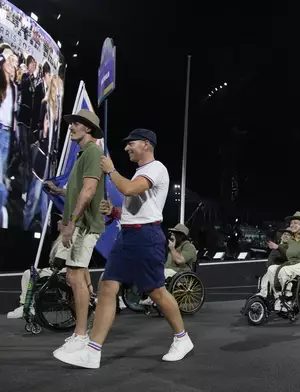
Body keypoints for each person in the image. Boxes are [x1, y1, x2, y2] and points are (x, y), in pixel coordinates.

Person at [53, 128, 192, 369]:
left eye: (131, 143)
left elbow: (129, 189)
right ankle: (92, 352)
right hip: (127, 235)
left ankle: (182, 339)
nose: (127, 147)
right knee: (107, 286)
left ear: (146, 144)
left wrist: (111, 170)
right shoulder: (140, 171)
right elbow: (138, 206)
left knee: (156, 291)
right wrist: (115, 212)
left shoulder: (156, 168)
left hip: (146, 237)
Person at [44, 109, 104, 357]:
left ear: (88, 128)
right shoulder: (83, 155)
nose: (71, 127)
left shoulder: (92, 152)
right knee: (74, 277)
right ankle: (81, 330)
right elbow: (76, 191)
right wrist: (59, 192)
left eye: (76, 123)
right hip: (78, 224)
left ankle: (81, 335)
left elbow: (88, 191)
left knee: (76, 277)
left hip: (85, 225)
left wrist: (72, 223)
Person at [139, 223, 197, 306]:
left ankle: (153, 298)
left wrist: (172, 248)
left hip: (182, 273)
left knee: (161, 273)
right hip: (169, 271)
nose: (172, 236)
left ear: (181, 236)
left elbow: (179, 260)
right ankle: (149, 296)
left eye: (175, 234)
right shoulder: (172, 246)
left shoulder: (189, 247)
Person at [0, 47, 18, 228]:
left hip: (6, 133)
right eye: (9, 58)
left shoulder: (13, 87)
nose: (13, 63)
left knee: (1, 171)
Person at [260, 228, 292, 299]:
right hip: (270, 270)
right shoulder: (278, 246)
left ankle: (275, 296)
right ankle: (263, 296)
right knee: (267, 276)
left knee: (271, 270)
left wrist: (278, 247)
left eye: (288, 235)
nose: (285, 236)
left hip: (281, 270)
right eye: (284, 234)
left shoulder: (290, 247)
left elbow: (288, 256)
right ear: (281, 236)